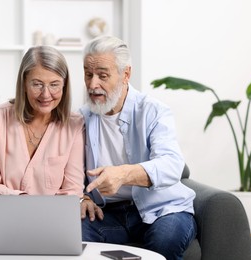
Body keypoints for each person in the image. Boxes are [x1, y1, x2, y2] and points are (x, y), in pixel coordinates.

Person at [79, 35, 197, 260]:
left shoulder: (153, 111)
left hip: (163, 209)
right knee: (73, 237)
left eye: (102, 75)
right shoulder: (81, 118)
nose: (93, 84)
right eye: (88, 74)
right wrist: (82, 198)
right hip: (108, 214)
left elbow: (172, 165)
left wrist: (123, 174)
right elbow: (69, 170)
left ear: (126, 74)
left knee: (165, 241)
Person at [0, 46, 85, 241]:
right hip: (1, 215)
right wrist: (24, 203)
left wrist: (42, 214)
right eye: (37, 84)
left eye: (55, 84)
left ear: (65, 86)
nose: (46, 94)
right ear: (23, 83)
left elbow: (72, 190)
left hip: (51, 220)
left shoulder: (74, 125)